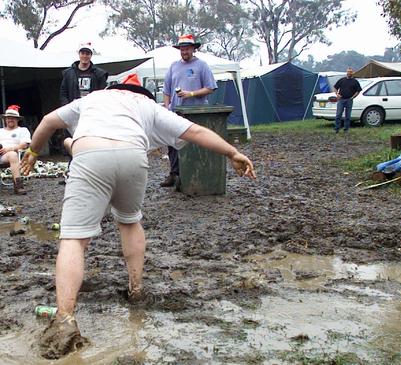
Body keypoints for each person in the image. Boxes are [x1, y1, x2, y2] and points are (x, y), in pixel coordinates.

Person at [20, 73, 256, 359]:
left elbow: (47, 121)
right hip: (133, 154)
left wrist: (33, 152)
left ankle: (65, 318)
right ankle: (136, 290)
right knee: (129, 221)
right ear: (142, 93)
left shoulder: (93, 98)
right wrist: (233, 152)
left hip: (90, 153)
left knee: (74, 238)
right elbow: (195, 131)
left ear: (114, 88)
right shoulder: (148, 106)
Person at [160, 34, 217, 188]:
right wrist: (166, 108)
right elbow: (166, 90)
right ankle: (174, 173)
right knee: (172, 141)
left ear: (193, 49)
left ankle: (194, 171)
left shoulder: (202, 66)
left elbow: (210, 88)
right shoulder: (173, 66)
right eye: (182, 49)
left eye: (187, 49)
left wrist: (191, 94)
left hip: (196, 111)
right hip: (175, 111)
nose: (184, 51)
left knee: (194, 141)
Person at [59, 41, 109, 106]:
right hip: (73, 108)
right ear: (79, 54)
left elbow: (103, 94)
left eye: (87, 54)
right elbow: (63, 93)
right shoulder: (68, 73)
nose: (85, 56)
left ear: (91, 55)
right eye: (82, 53)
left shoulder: (99, 74)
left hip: (92, 109)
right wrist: (67, 107)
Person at [334, 67, 362, 134]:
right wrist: (337, 94)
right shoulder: (342, 80)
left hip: (349, 100)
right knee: (338, 115)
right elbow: (335, 87)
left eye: (350, 72)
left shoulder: (355, 81)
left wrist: (353, 97)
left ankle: (346, 130)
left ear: (352, 73)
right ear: (346, 72)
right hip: (341, 100)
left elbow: (358, 91)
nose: (349, 73)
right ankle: (337, 129)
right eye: (348, 72)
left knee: (347, 116)